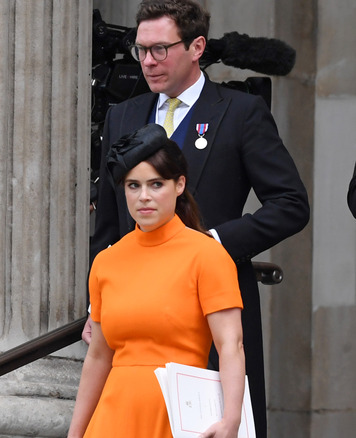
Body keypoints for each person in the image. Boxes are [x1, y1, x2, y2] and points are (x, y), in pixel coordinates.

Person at [85, 1, 310, 436]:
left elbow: (290, 203)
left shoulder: (241, 112)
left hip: (210, 306)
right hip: (135, 316)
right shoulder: (123, 115)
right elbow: (110, 224)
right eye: (140, 50)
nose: (148, 61)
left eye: (160, 49)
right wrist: (96, 303)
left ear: (196, 47)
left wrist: (213, 242)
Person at [69, 124, 245, 438]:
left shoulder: (207, 254)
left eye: (156, 184)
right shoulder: (106, 262)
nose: (144, 197)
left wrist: (231, 420)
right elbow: (98, 356)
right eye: (133, 186)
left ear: (179, 185)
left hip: (180, 415)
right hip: (112, 417)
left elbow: (231, 344)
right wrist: (76, 432)